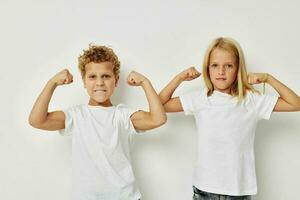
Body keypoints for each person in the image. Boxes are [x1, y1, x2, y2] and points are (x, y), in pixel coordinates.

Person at [159, 37, 300, 199]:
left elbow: (296, 104)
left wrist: (268, 78)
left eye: (229, 66)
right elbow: (158, 105)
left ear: (238, 69)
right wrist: (179, 78)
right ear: (207, 69)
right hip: (204, 189)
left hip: (238, 192)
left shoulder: (251, 100)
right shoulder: (200, 99)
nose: (221, 72)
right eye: (215, 65)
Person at [29, 45, 166, 200]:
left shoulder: (122, 115)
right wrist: (52, 83)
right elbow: (36, 120)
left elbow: (158, 119)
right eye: (92, 77)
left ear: (116, 81)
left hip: (125, 196)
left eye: (106, 76)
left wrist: (145, 83)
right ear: (84, 81)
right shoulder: (76, 116)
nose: (100, 82)